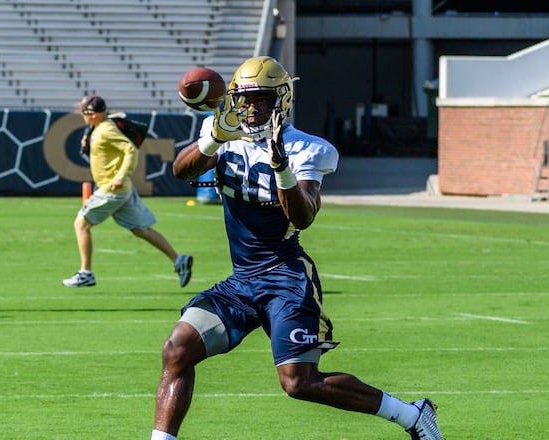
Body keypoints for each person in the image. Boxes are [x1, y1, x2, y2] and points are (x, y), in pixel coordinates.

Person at [152, 56, 444, 439]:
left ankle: (411, 415)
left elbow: (304, 216)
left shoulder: (307, 148)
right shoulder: (221, 128)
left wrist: (281, 168)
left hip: (285, 278)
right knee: (177, 351)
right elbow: (181, 170)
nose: (253, 107)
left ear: (282, 100)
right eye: (247, 98)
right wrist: (214, 138)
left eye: (263, 98)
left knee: (299, 382)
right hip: (241, 281)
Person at [62, 95, 193, 288]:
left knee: (81, 224)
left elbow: (130, 149)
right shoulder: (99, 127)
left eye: (85, 112)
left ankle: (86, 273)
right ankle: (178, 260)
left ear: (95, 114)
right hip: (121, 190)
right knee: (141, 230)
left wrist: (121, 175)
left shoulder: (106, 129)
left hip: (112, 188)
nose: (82, 115)